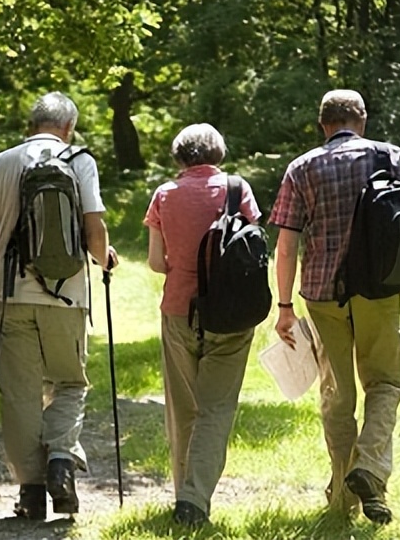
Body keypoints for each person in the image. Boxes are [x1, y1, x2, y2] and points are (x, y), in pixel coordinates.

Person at [269, 89, 400, 525]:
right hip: (380, 291)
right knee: (386, 381)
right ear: (362, 119)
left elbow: (287, 243)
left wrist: (283, 306)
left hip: (322, 294)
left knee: (337, 396)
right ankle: (369, 468)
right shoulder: (394, 158)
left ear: (323, 124)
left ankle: (342, 502)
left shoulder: (303, 167)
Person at [0, 91, 118, 520]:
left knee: (19, 394)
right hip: (68, 295)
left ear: (29, 125)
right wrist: (104, 256)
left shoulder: (0, 163)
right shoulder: (81, 161)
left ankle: (31, 493)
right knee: (70, 383)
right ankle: (60, 459)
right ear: (68, 127)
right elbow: (94, 231)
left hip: (11, 294)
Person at [143, 123, 261, 527]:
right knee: (216, 407)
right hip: (230, 313)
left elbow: (158, 263)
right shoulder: (236, 189)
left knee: (183, 408)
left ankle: (184, 494)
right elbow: (251, 246)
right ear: (218, 152)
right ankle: (194, 500)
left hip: (178, 310)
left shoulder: (164, 195)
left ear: (179, 156)